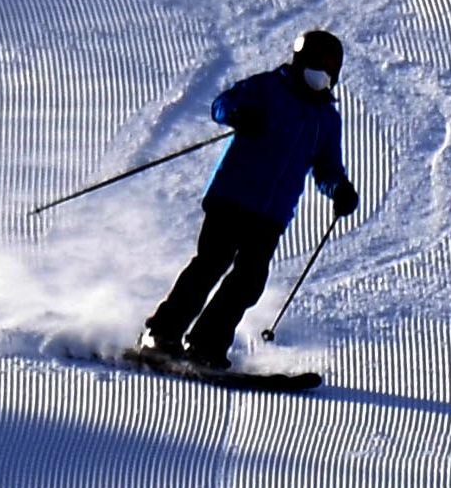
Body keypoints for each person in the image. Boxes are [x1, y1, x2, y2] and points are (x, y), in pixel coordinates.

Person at [139, 30, 358, 367]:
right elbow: (222, 105)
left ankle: (206, 345)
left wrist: (340, 189)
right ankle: (162, 333)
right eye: (317, 63)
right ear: (300, 60)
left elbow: (327, 167)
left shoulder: (327, 119)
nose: (322, 72)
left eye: (329, 66)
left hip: (272, 213)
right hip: (232, 196)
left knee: (249, 281)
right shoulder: (269, 87)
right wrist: (240, 114)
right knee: (211, 264)